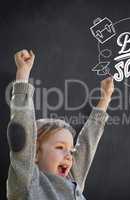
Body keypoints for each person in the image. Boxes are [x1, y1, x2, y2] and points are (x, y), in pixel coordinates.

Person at [6, 49, 114, 200]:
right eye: (60, 147)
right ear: (35, 153)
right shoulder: (29, 182)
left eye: (70, 150)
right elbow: (22, 131)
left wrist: (105, 98)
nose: (69, 156)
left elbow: (87, 143)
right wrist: (23, 74)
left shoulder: (71, 178)